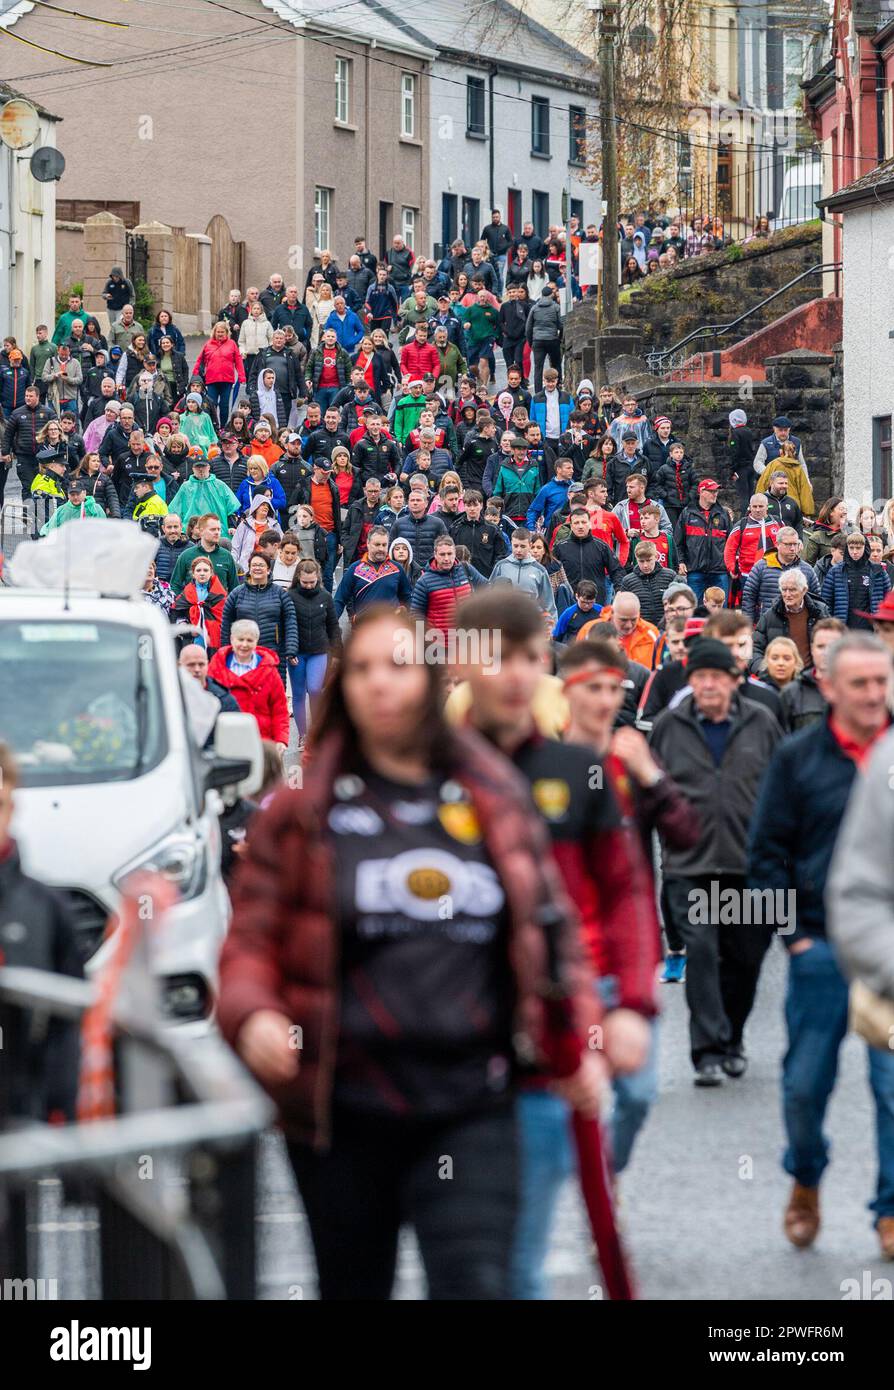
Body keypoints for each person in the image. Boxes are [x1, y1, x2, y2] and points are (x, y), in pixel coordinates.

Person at [217, 604, 599, 1300]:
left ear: (428, 679)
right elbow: (248, 944)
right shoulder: (301, 812)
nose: (377, 684)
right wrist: (254, 1015)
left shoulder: (493, 793)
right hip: (343, 1104)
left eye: (395, 666)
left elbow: (550, 927)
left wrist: (578, 1032)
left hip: (472, 1098)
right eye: (359, 669)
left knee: (478, 1282)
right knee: (354, 1285)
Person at [451, 589, 655, 1299]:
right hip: (443, 1063)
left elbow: (627, 889)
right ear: (461, 663)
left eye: (530, 659)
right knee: (468, 1265)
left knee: (518, 1265)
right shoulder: (421, 774)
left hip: (547, 1052)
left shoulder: (577, 773)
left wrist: (630, 1003)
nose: (515, 675)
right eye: (499, 658)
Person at [752, 634, 894, 1256]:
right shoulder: (798, 757)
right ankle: (805, 1176)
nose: (873, 695)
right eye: (859, 683)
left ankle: (889, 1213)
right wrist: (795, 939)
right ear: (828, 687)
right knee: (805, 1085)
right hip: (823, 949)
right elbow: (766, 856)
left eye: (882, 682)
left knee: (893, 1091)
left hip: (891, 955)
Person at [650, 637, 782, 1084]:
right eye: (700, 677)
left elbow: (784, 792)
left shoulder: (762, 723)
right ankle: (706, 1051)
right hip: (692, 865)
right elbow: (652, 795)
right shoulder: (670, 726)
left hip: (752, 867)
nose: (708, 685)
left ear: (734, 681)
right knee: (703, 954)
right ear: (691, 681)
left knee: (745, 959)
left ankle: (733, 1038)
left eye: (717, 677)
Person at [207, 618, 289, 754]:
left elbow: (279, 708)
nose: (244, 644)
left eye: (249, 640)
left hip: (262, 742)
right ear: (232, 639)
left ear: (256, 641)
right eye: (240, 639)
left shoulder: (269, 671)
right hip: (226, 741)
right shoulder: (215, 668)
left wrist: (281, 739)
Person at [286, 557, 341, 743]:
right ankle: (303, 735)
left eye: (312, 582)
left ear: (317, 578)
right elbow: (286, 625)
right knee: (299, 693)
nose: (309, 586)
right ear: (298, 579)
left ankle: (318, 730)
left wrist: (337, 652)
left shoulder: (325, 596)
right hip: (297, 651)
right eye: (305, 582)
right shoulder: (290, 596)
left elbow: (333, 625)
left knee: (316, 689)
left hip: (319, 650)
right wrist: (289, 650)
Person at [221, 551, 298, 681]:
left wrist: (291, 649)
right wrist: (225, 651)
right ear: (249, 569)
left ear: (268, 570)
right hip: (242, 653)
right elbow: (226, 624)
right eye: (254, 565)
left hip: (273, 652)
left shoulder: (280, 594)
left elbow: (290, 621)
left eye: (261, 565)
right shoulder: (237, 593)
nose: (257, 568)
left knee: (271, 695)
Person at [751, 569, 829, 671]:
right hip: (780, 681)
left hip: (811, 679)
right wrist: (765, 671)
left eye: (792, 590)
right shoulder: (769, 616)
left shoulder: (820, 613)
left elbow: (833, 646)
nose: (787, 595)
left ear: (804, 590)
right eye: (784, 590)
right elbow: (753, 649)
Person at [777, 616, 844, 732]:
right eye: (820, 647)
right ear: (812, 649)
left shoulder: (858, 692)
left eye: (833, 647)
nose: (826, 653)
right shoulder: (791, 693)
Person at [740, 526, 820, 622]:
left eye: (795, 544)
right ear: (777, 544)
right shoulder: (761, 567)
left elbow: (817, 600)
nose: (793, 549)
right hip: (767, 625)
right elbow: (748, 598)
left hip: (797, 624)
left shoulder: (807, 570)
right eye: (788, 544)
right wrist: (748, 626)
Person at [674, 479, 732, 601]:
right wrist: (680, 561)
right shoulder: (686, 513)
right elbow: (678, 542)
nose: (715, 494)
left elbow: (731, 543)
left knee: (719, 612)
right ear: (701, 492)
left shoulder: (723, 514)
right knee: (695, 610)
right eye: (711, 491)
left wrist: (730, 565)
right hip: (695, 571)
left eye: (716, 491)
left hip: (719, 571)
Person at [821, 529, 890, 629]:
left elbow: (888, 601)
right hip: (843, 629)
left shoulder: (878, 572)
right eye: (851, 548)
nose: (854, 552)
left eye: (858, 548)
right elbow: (825, 603)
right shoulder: (836, 571)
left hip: (871, 631)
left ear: (865, 547)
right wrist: (832, 627)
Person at [489, 527, 557, 620]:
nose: (518, 550)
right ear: (511, 544)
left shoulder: (540, 570)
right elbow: (488, 595)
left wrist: (551, 627)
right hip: (504, 621)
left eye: (523, 546)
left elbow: (549, 605)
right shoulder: (501, 566)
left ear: (530, 545)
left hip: (531, 622)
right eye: (515, 546)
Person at [171, 554, 228, 653]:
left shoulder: (219, 594)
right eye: (198, 570)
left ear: (211, 573)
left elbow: (225, 619)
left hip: (214, 640)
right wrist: (188, 630)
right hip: (192, 641)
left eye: (205, 570)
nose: (202, 573)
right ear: (193, 574)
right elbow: (176, 614)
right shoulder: (186, 594)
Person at [171, 512, 239, 592]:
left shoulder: (226, 556)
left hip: (219, 604)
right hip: (192, 603)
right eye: (213, 529)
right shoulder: (186, 555)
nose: (217, 532)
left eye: (219, 529)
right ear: (201, 531)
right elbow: (175, 585)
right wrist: (184, 603)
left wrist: (227, 604)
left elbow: (234, 589)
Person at [169, 455, 240, 531]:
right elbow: (175, 510)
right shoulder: (185, 487)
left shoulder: (220, 485)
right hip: (191, 532)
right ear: (193, 469)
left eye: (203, 466)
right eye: (198, 467)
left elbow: (231, 508)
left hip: (217, 531)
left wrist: (231, 526)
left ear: (209, 467)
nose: (201, 469)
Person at [525, 287, 563, 392]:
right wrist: (559, 338)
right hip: (552, 339)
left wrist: (531, 342)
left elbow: (528, 327)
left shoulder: (535, 307)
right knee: (556, 364)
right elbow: (561, 324)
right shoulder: (556, 307)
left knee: (538, 367)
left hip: (538, 340)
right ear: (551, 295)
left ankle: (537, 392)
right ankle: (558, 386)